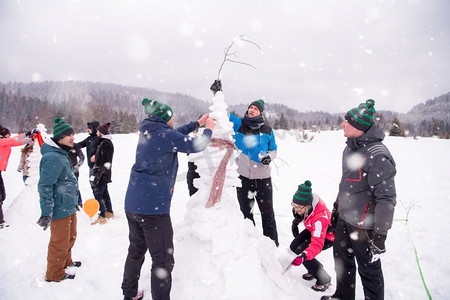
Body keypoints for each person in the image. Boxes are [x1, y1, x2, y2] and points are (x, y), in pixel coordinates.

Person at [121, 98, 215, 300]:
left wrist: (196, 124)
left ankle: (129, 294)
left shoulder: (149, 130)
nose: (173, 120)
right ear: (166, 119)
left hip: (133, 204)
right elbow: (197, 145)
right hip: (153, 210)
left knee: (136, 250)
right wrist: (207, 130)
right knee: (163, 260)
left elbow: (174, 134)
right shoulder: (165, 135)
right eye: (171, 117)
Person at [321, 99, 397, 300]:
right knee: (342, 261)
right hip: (345, 219)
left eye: (346, 122)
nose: (341, 124)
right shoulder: (350, 148)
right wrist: (337, 210)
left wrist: (380, 234)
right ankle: (343, 296)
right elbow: (345, 183)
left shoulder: (378, 156)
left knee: (369, 271)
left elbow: (387, 198)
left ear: (358, 127)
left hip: (365, 226)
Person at [212, 80, 278, 246]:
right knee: (246, 213)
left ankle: (272, 245)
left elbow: (274, 149)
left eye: (255, 108)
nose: (251, 109)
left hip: (263, 178)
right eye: (250, 107)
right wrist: (217, 94)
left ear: (260, 112)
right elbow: (223, 114)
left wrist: (269, 157)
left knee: (267, 214)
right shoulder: (240, 124)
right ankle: (251, 245)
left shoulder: (268, 130)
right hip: (243, 178)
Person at [37, 118, 81, 282]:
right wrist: (46, 212)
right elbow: (45, 186)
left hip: (68, 206)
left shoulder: (61, 154)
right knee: (59, 242)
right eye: (69, 135)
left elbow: (66, 182)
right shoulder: (53, 157)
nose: (72, 138)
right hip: (59, 208)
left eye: (73, 135)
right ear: (60, 137)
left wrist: (73, 201)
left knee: (70, 237)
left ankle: (66, 262)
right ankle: (54, 273)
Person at [289, 180, 334, 293]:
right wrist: (297, 220)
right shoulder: (307, 205)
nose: (296, 210)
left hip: (327, 236)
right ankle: (314, 268)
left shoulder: (319, 219)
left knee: (301, 251)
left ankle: (324, 279)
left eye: (299, 208)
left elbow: (317, 244)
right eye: (294, 206)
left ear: (308, 206)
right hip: (313, 228)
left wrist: (304, 256)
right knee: (294, 246)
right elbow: (303, 213)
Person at [0, 125, 32, 228]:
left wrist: (31, 138)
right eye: (6, 136)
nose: (8, 138)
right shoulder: (1, 141)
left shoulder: (5, 143)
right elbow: (13, 140)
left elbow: (16, 142)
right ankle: (0, 222)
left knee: (3, 196)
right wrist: (27, 134)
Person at [91, 122, 114, 225]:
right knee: (104, 193)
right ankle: (109, 212)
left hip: (103, 174)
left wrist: (98, 175)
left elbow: (106, 162)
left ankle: (102, 216)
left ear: (101, 132)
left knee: (98, 194)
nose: (96, 133)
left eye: (98, 131)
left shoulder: (106, 143)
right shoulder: (103, 142)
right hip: (103, 173)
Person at [76, 121, 100, 193]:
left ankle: (101, 202)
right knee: (93, 185)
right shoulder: (89, 139)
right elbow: (79, 145)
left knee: (98, 187)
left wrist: (96, 156)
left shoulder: (99, 139)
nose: (87, 129)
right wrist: (69, 145)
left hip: (98, 167)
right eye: (88, 128)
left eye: (90, 128)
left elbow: (104, 150)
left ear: (94, 128)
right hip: (91, 166)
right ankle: (98, 202)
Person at [68, 143, 85, 209]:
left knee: (75, 188)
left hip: (74, 172)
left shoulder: (75, 146)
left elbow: (82, 157)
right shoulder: (61, 146)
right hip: (63, 171)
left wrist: (77, 166)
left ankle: (79, 203)